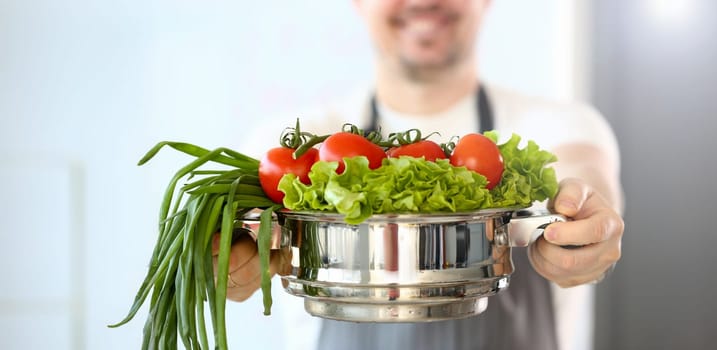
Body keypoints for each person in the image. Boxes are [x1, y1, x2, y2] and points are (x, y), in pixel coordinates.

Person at [215, 1, 624, 349]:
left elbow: (583, 171)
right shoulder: (290, 148)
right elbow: (244, 240)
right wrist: (233, 264)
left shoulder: (562, 124)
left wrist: (584, 221)